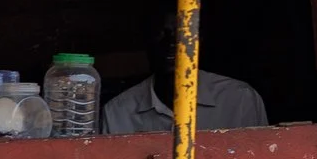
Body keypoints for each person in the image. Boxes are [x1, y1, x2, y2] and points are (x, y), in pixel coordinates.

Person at [100, 20, 269, 135]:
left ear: (199, 40)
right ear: (146, 41)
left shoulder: (239, 99)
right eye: (160, 33)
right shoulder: (118, 112)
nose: (171, 42)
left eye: (182, 32)